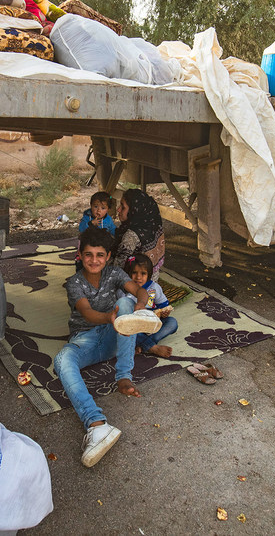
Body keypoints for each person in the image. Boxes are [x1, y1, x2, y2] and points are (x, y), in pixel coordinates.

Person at [53, 226, 161, 467]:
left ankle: (124, 375)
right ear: (80, 255)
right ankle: (97, 425)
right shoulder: (74, 283)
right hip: (87, 338)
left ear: (108, 256)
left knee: (125, 302)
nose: (94, 260)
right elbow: (87, 312)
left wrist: (141, 305)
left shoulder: (115, 274)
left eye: (100, 255)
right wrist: (110, 318)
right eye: (89, 254)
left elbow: (138, 290)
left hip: (117, 335)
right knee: (62, 360)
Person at [120, 253, 178, 358]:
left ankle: (143, 344)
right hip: (135, 327)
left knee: (172, 322)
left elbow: (163, 305)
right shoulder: (124, 291)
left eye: (143, 273)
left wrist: (164, 313)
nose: (138, 277)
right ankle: (151, 347)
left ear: (149, 274)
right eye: (134, 273)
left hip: (153, 324)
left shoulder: (154, 288)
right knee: (123, 330)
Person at [112, 189, 166, 283]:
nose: (118, 209)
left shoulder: (131, 236)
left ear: (134, 210)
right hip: (152, 282)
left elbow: (117, 269)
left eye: (123, 207)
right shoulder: (155, 224)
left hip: (135, 287)